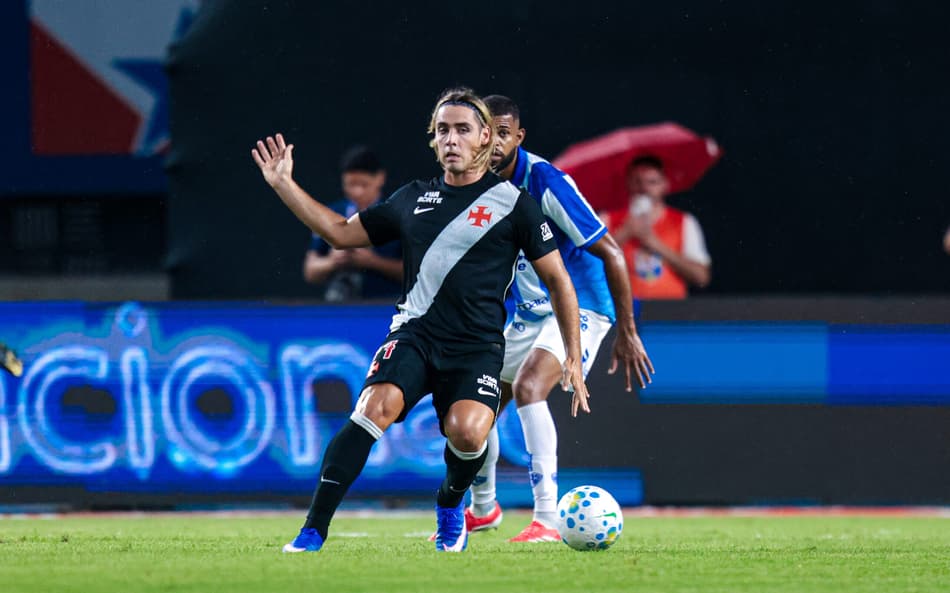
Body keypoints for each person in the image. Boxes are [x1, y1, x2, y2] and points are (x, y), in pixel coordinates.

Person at [250, 87, 590, 554]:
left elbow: (560, 281)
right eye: (443, 130)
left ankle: (451, 505)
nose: (452, 138)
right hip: (416, 334)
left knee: (469, 430)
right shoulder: (412, 198)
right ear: (434, 140)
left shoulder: (515, 205)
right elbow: (337, 233)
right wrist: (283, 183)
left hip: (476, 347)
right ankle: (313, 529)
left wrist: (573, 353)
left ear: (486, 138)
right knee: (374, 406)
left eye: (463, 129)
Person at [462, 95, 654, 543]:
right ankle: (484, 508)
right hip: (530, 312)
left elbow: (611, 252)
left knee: (530, 387)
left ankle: (546, 520)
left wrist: (627, 330)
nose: (494, 144)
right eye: (488, 132)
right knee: (478, 402)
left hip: (583, 305)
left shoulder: (545, 181)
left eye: (505, 133)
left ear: (518, 137)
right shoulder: (474, 187)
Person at [601, 155, 712, 299]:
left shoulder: (684, 222)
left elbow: (701, 277)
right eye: (638, 181)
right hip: (622, 311)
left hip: (671, 312)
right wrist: (625, 232)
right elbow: (587, 266)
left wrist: (654, 243)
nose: (644, 188)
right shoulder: (607, 219)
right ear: (628, 183)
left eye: (652, 182)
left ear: (665, 184)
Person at [302, 146, 403, 302]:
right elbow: (310, 271)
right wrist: (333, 261)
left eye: (364, 184)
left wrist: (373, 262)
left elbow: (417, 273)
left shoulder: (398, 214)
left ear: (380, 178)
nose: (357, 192)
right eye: (351, 184)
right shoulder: (332, 213)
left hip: (387, 308)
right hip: (341, 308)